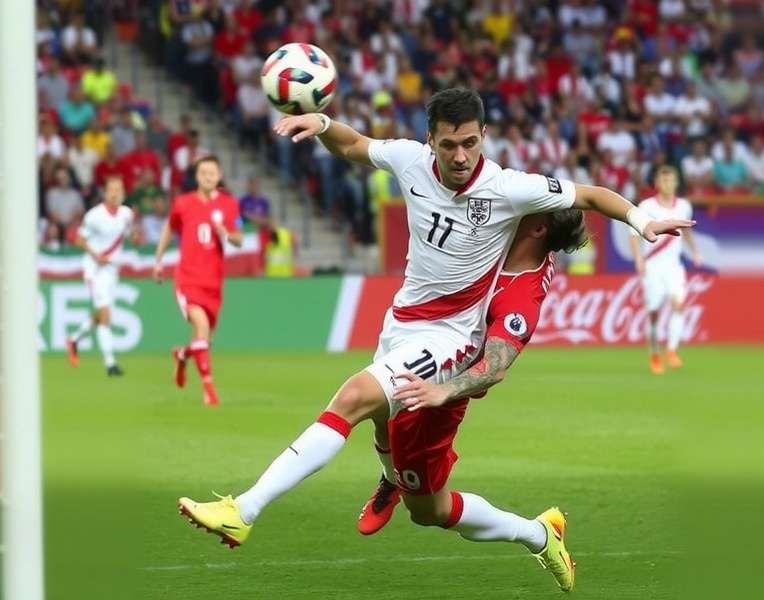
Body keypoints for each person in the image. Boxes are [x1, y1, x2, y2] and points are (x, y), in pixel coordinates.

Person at [176, 89, 691, 593]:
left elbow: (590, 201)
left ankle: (244, 510)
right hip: (403, 319)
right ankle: (529, 529)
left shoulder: (514, 204)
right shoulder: (410, 160)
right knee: (428, 507)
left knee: (354, 397)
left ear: (485, 138)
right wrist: (325, 124)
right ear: (431, 141)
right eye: (449, 145)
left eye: (470, 143)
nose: (461, 156)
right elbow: (358, 146)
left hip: (450, 342)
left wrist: (642, 223)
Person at [356, 209, 587, 543]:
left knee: (426, 511)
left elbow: (495, 367)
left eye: (532, 204)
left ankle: (538, 533)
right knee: (375, 403)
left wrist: (443, 392)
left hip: (439, 394)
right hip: (423, 342)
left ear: (538, 229)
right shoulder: (506, 236)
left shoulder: (519, 297)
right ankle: (390, 478)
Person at [153, 156, 242, 406]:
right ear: (197, 176)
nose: (208, 176)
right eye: (203, 172)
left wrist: (225, 233)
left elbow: (239, 239)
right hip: (188, 278)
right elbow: (169, 228)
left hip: (213, 282)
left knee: (204, 340)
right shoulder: (183, 203)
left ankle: (182, 354)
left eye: (212, 172)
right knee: (201, 328)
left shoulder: (229, 204)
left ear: (219, 174)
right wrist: (158, 261)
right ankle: (209, 389)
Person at [629, 165, 701, 375]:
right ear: (657, 184)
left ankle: (671, 350)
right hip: (653, 266)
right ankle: (654, 353)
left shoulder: (684, 206)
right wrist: (639, 260)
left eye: (671, 181)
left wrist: (694, 251)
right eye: (664, 180)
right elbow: (633, 233)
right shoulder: (647, 205)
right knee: (654, 313)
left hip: (673, 266)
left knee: (678, 305)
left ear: (676, 183)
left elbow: (686, 232)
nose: (668, 184)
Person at [65, 176, 134, 376]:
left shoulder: (126, 214)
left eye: (118, 190)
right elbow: (78, 239)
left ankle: (74, 339)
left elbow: (131, 236)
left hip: (112, 270)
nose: (115, 193)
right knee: (105, 316)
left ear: (123, 193)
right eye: (111, 189)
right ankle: (110, 364)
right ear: (105, 192)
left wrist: (137, 236)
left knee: (102, 314)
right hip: (94, 269)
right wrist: (97, 255)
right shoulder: (94, 216)